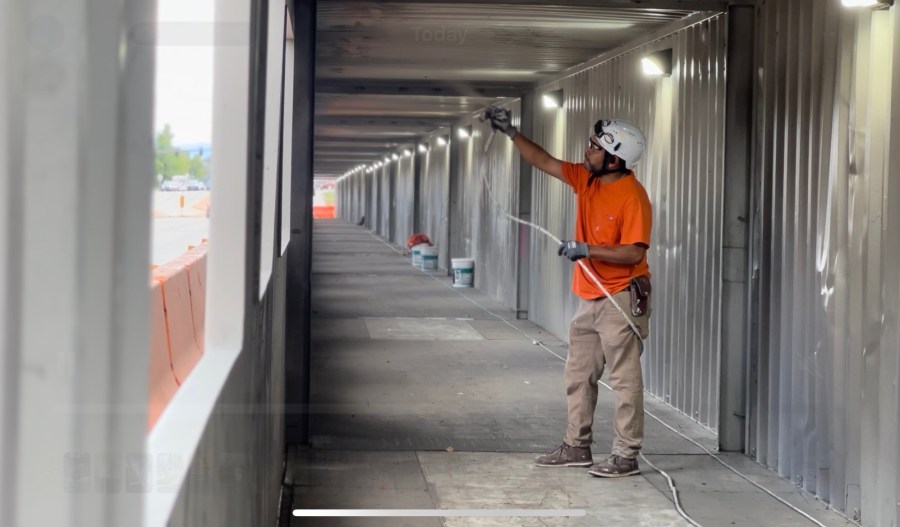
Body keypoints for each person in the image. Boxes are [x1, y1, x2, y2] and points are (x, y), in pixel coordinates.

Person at [487, 106, 652, 478]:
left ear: (615, 159)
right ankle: (577, 447)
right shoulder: (587, 180)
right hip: (590, 295)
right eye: (590, 144)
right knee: (579, 374)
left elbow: (633, 252)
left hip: (620, 296)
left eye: (595, 148)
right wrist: (511, 133)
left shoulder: (632, 196)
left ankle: (626, 455)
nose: (586, 151)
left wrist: (587, 249)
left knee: (624, 379)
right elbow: (543, 160)